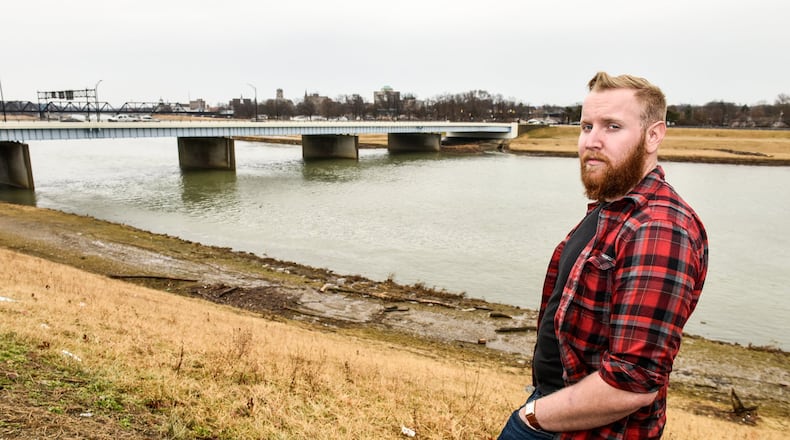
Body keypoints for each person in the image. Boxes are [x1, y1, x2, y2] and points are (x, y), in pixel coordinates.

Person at [497, 72, 709, 439]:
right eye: (586, 126)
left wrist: (531, 419)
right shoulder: (612, 210)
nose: (591, 141)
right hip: (560, 411)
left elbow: (633, 380)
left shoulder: (658, 228)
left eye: (612, 126)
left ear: (653, 135)